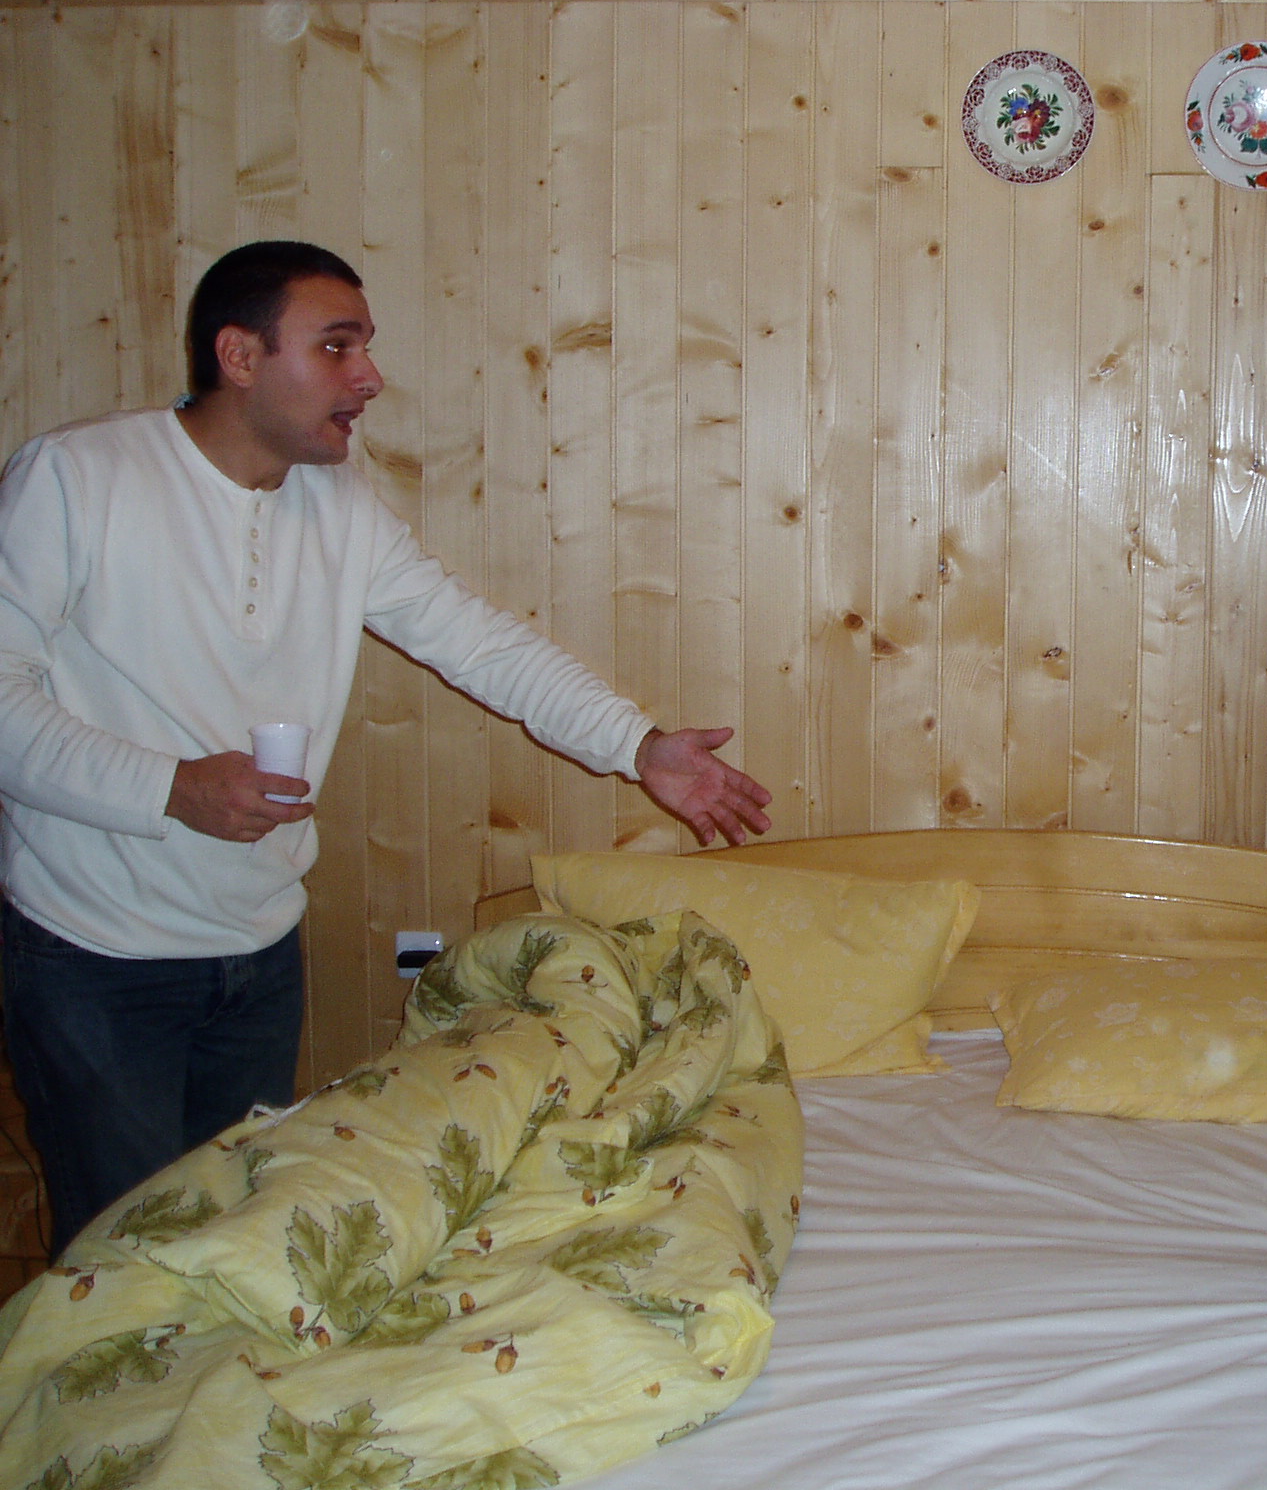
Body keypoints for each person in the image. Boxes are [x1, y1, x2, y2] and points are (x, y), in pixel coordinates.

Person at [0, 241, 773, 1254]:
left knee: (227, 1243)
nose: (367, 376)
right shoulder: (79, 476)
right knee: (116, 1256)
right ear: (240, 355)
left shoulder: (335, 504)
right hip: (96, 953)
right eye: (337, 346)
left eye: (363, 346)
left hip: (258, 948)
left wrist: (638, 745)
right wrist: (169, 788)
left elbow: (476, 641)